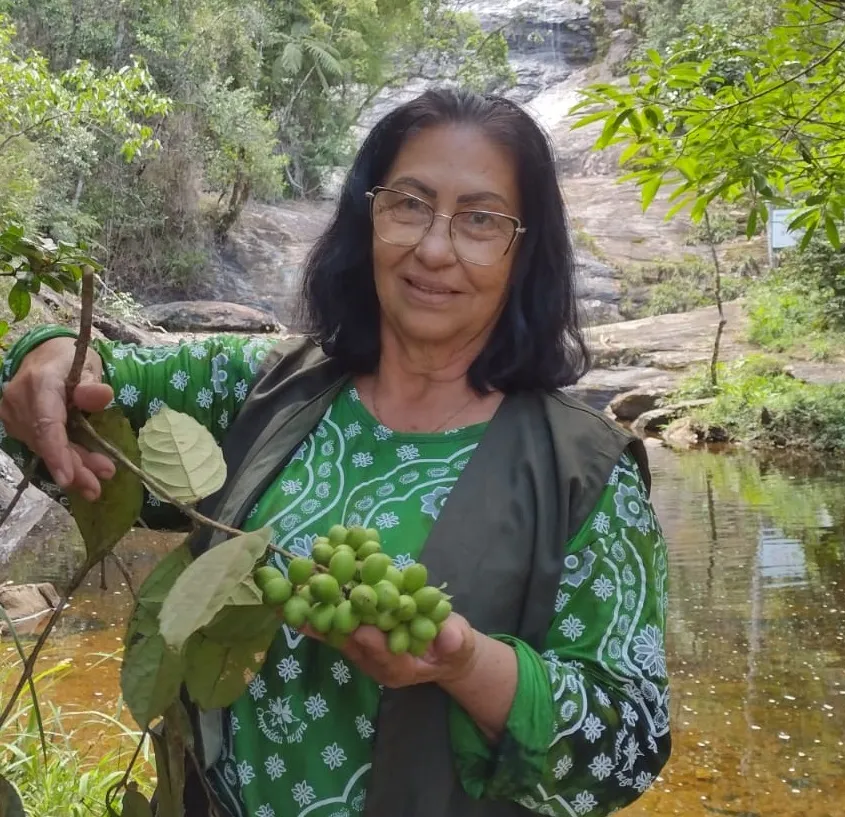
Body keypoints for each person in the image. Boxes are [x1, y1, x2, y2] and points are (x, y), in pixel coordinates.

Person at [0, 88, 670, 817]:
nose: (434, 247)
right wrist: (47, 353)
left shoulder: (582, 472)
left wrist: (467, 662)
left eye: (479, 220)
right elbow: (81, 386)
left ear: (523, 249)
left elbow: (627, 740)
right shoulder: (263, 387)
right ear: (366, 216)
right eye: (408, 204)